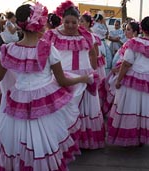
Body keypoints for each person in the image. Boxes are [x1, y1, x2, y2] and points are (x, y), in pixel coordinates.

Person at [0, 3, 91, 170]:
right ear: (40, 23)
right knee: (43, 144)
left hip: (17, 101)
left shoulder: (8, 49)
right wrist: (82, 78)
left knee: (18, 142)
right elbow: (62, 81)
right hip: (44, 102)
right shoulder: (48, 49)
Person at [43, 0, 105, 149]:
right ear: (62, 20)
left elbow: (92, 54)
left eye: (74, 22)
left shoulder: (88, 36)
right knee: (63, 111)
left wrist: (93, 70)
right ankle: (63, 143)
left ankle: (81, 143)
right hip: (60, 78)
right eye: (67, 22)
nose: (70, 25)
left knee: (84, 110)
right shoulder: (52, 35)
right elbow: (45, 56)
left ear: (79, 22)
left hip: (84, 77)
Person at [107, 15, 149, 146]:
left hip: (134, 80)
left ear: (141, 29)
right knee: (147, 109)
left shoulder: (134, 43)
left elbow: (126, 64)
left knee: (132, 109)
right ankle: (143, 137)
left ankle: (132, 136)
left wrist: (119, 80)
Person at [100, 21, 140, 116]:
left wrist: (117, 70)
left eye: (128, 30)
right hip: (120, 70)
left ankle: (114, 114)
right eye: (125, 30)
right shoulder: (130, 42)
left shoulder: (133, 43)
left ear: (135, 32)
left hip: (124, 73)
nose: (125, 32)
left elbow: (128, 62)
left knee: (115, 92)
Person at [80, 11, 106, 81]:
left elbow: (96, 53)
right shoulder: (79, 35)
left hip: (92, 64)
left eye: (82, 21)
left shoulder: (92, 36)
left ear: (88, 23)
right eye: (79, 21)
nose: (79, 23)